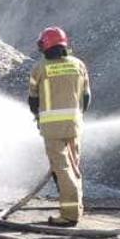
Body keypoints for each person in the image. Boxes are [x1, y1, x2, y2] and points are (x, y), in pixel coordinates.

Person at [28, 26, 91, 226]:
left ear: (46, 45)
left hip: (51, 129)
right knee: (73, 167)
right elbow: (87, 97)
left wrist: (38, 116)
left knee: (62, 169)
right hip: (74, 125)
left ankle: (70, 215)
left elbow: (33, 100)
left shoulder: (40, 68)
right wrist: (77, 116)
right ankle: (77, 208)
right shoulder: (78, 65)